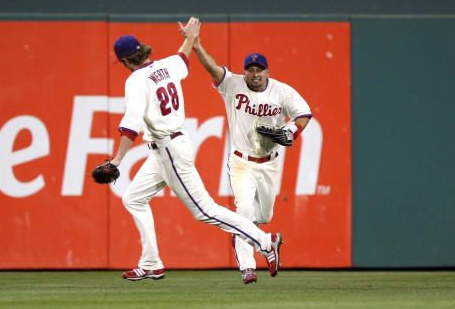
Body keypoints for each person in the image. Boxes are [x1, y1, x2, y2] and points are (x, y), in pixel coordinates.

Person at [109, 17, 282, 282]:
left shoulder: (135, 81)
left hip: (169, 148)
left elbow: (130, 126)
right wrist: (190, 37)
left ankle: (265, 241)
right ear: (142, 51)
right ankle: (152, 263)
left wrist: (116, 161)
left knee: (205, 210)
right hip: (168, 147)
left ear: (123, 61)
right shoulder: (167, 65)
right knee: (133, 198)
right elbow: (184, 56)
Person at [187, 27, 312, 284]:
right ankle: (248, 266)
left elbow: (304, 113)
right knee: (243, 210)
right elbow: (213, 69)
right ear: (244, 72)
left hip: (269, 162)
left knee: (264, 216)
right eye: (250, 70)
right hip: (241, 160)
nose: (255, 74)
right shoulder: (233, 84)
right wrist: (197, 45)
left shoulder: (281, 91)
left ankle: (256, 234)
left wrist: (291, 131)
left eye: (259, 69)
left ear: (268, 71)